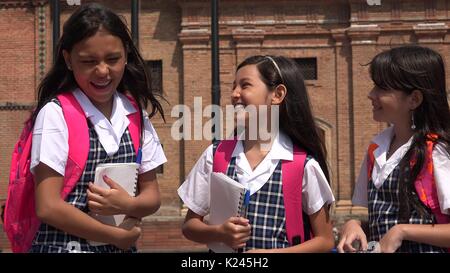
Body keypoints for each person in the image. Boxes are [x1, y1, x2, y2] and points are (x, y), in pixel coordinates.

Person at [29, 3, 166, 253]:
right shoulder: (55, 114)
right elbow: (47, 206)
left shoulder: (135, 115)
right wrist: (114, 236)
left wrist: (128, 204)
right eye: (89, 61)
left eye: (113, 59)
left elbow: (152, 197)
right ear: (68, 60)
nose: (102, 71)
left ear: (126, 55)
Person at [178, 55, 335, 253]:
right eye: (233, 86)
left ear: (277, 94)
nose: (235, 94)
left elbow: (325, 240)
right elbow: (190, 226)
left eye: (245, 85)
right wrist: (219, 232)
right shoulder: (216, 155)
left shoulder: (302, 166)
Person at [337, 45, 450, 253]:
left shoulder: (438, 152)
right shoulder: (376, 149)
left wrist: (402, 231)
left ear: (414, 99)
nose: (371, 95)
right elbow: (381, 219)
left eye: (382, 88)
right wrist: (353, 225)